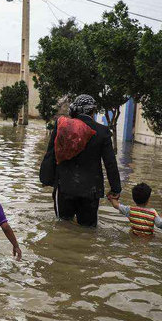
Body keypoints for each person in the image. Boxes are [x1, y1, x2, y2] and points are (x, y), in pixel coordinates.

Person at [39, 94, 122, 227]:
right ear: (93, 111)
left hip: (64, 187)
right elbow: (110, 164)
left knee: (63, 227)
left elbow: (51, 154)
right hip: (91, 191)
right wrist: (115, 189)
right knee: (88, 231)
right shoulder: (102, 132)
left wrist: (46, 178)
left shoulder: (62, 127)